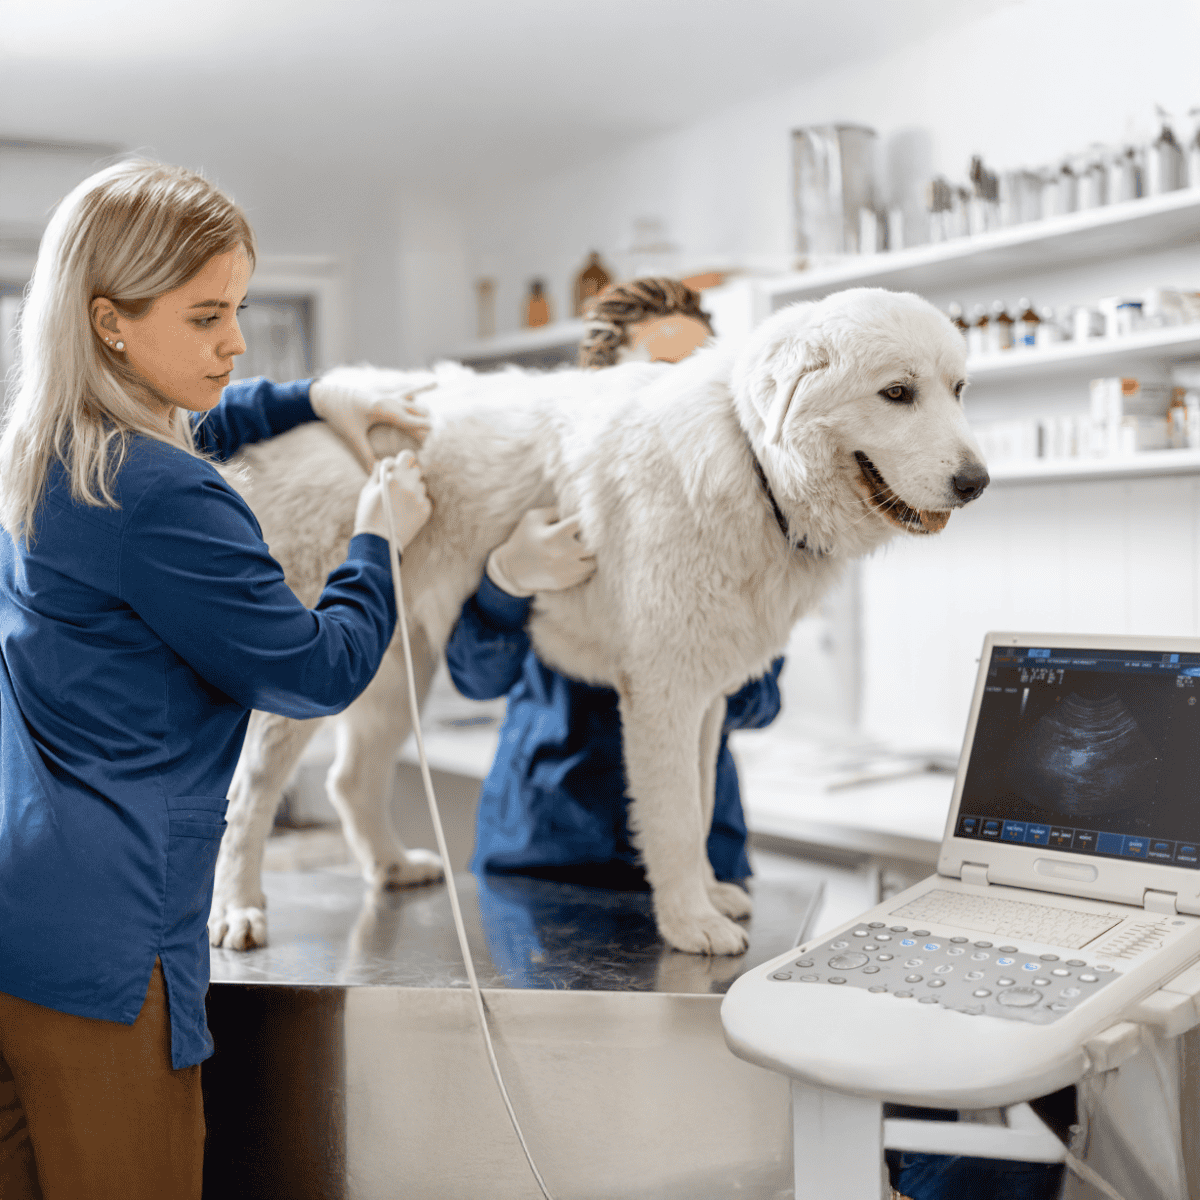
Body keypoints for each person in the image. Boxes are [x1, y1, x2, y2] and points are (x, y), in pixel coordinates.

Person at [0, 159, 433, 1200]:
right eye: (206, 317)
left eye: (236, 308)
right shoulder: (164, 496)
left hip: (22, 919)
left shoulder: (42, 455)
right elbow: (315, 668)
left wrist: (309, 395)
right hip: (112, 948)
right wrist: (378, 541)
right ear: (109, 320)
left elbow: (195, 425)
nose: (235, 341)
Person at [444, 278, 783, 892]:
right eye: (658, 374)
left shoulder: (744, 518)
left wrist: (710, 658)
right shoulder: (531, 487)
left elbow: (762, 703)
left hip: (705, 848)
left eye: (697, 375)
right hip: (549, 847)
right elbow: (476, 678)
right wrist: (506, 579)